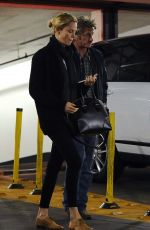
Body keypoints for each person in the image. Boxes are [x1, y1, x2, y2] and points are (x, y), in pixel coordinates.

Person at [29, 12, 93, 230]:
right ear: (56, 31)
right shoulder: (42, 56)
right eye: (69, 32)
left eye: (74, 33)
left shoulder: (69, 55)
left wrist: (85, 85)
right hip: (53, 118)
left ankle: (42, 215)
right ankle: (75, 218)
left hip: (67, 118)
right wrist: (61, 104)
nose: (72, 36)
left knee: (55, 164)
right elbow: (35, 90)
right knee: (75, 160)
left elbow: (71, 86)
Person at [63, 16, 108, 220]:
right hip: (73, 113)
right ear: (77, 36)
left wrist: (103, 104)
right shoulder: (67, 55)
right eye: (87, 35)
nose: (91, 38)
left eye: (92, 34)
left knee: (88, 163)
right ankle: (70, 204)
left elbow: (103, 83)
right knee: (77, 161)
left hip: (92, 115)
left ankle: (81, 205)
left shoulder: (96, 56)